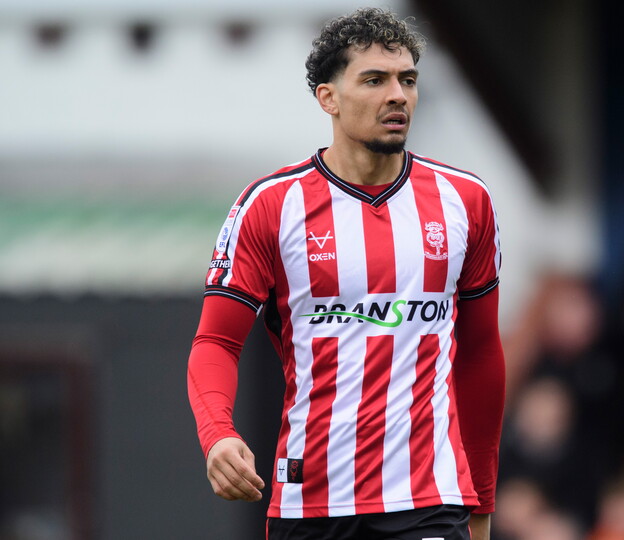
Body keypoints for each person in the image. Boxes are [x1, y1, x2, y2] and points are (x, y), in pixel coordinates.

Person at [186, 8, 505, 540]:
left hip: (428, 500)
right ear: (327, 98)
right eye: (374, 80)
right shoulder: (271, 206)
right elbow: (216, 340)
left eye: (408, 80)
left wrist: (483, 501)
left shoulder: (465, 201)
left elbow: (480, 356)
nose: (398, 95)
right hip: (309, 505)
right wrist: (217, 433)